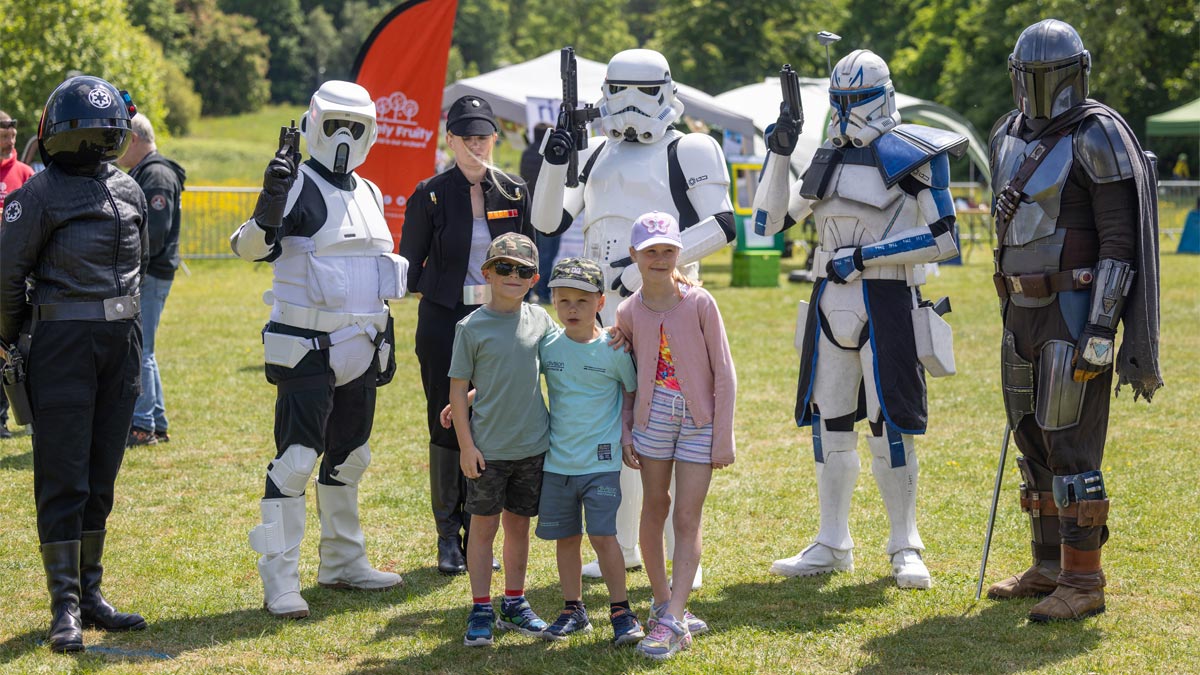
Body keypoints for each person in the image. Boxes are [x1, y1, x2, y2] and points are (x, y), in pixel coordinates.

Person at [751, 49, 964, 589]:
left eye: (858, 99)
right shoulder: (824, 156)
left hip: (886, 300)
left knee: (889, 423)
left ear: (885, 96)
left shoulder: (914, 153)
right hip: (830, 302)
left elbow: (945, 239)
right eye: (840, 101)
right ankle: (831, 541)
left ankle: (905, 544)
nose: (849, 111)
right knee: (830, 424)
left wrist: (868, 257)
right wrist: (779, 154)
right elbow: (768, 222)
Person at [532, 48, 737, 582]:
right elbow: (548, 219)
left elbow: (721, 224)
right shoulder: (597, 152)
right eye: (618, 89)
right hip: (608, 316)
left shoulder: (692, 148)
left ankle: (678, 556)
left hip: (668, 305)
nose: (629, 104)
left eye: (643, 91)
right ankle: (622, 547)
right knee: (619, 423)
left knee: (675, 421)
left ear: (668, 92)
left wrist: (639, 272)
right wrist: (556, 160)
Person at [985, 19, 1161, 622]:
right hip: (1021, 310)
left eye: (1047, 75)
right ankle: (1048, 565)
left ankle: (1084, 581)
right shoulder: (1006, 135)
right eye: (1029, 76)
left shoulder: (1098, 134)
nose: (1038, 87)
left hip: (1073, 310)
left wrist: (1100, 330)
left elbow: (1119, 241)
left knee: (1071, 443)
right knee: (1031, 438)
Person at [230, 80, 406, 619]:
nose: (347, 138)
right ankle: (280, 580)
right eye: (337, 126)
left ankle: (343, 562)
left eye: (358, 128)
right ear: (313, 124)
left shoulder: (370, 192)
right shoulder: (296, 185)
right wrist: (269, 207)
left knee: (350, 457)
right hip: (307, 346)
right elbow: (248, 248)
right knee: (296, 461)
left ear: (373, 131)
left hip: (364, 344)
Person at [1, 75, 148, 653]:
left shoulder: (129, 190)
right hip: (61, 342)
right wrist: (9, 341)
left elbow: (146, 257)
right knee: (63, 473)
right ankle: (63, 605)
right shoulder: (36, 195)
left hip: (122, 342)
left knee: (101, 471)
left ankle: (90, 595)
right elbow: (6, 277)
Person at [440, 256, 647, 646]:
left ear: (600, 303)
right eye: (564, 300)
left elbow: (631, 391)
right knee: (565, 538)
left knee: (605, 537)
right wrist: (468, 397)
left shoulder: (610, 347)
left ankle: (621, 610)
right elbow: (510, 370)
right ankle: (572, 609)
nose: (572, 308)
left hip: (596, 463)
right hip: (555, 462)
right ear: (552, 298)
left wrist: (626, 435)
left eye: (583, 301)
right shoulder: (548, 340)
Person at [400, 95, 534, 576]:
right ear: (450, 140)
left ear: (494, 140)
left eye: (484, 138)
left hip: (501, 318)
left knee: (492, 422)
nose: (476, 146)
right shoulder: (430, 193)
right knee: (447, 420)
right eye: (467, 138)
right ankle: (446, 537)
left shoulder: (514, 191)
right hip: (445, 320)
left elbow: (530, 255)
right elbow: (411, 267)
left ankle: (479, 533)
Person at [612, 212, 735, 660]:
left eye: (667, 250)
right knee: (655, 506)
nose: (659, 259)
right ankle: (664, 602)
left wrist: (723, 437)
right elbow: (627, 379)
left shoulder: (700, 302)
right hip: (652, 420)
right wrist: (628, 431)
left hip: (699, 421)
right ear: (635, 256)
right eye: (650, 252)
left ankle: (673, 617)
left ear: (678, 253)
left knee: (687, 515)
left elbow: (724, 372)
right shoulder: (628, 310)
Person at [447, 233, 554, 647]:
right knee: (482, 530)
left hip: (533, 447)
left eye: (523, 271)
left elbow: (547, 365)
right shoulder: (470, 327)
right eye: (505, 268)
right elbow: (458, 387)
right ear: (487, 273)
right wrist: (466, 445)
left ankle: (514, 602)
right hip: (487, 451)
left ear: (534, 278)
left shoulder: (541, 320)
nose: (514, 276)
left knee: (518, 528)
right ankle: (480, 607)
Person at [117, 114, 185, 447]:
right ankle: (155, 421)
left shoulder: (156, 175)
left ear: (134, 138)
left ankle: (142, 425)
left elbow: (153, 234)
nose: (117, 151)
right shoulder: (150, 171)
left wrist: (131, 265)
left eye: (121, 141)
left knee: (140, 349)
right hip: (154, 271)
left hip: (152, 271)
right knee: (146, 349)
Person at [0, 110, 36, 440]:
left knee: (8, 344)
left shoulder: (24, 173)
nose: (10, 141)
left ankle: (5, 414)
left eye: (12, 135)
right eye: (4, 135)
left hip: (12, 271)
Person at [520, 123, 557, 301]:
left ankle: (526, 292)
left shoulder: (527, 153)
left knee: (529, 254)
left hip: (529, 211)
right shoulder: (550, 156)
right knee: (547, 254)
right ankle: (542, 293)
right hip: (548, 210)